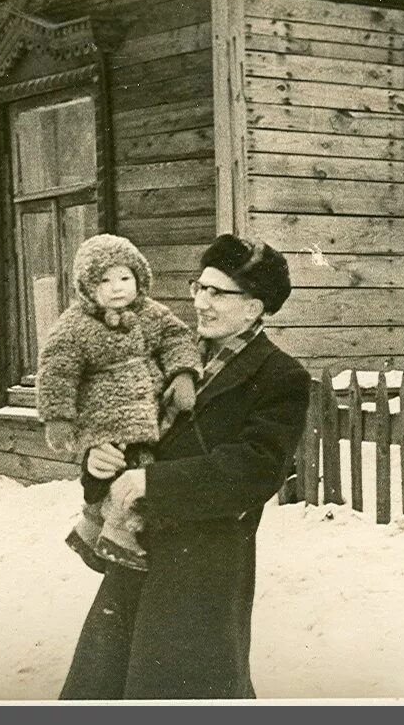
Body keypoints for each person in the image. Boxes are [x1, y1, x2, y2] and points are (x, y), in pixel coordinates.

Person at [59, 234, 312, 700]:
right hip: (135, 554)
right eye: (200, 287)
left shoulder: (279, 376)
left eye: (218, 293)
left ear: (254, 308)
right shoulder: (166, 353)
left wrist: (151, 482)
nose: (201, 302)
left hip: (204, 566)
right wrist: (98, 464)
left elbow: (255, 469)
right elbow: (119, 421)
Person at [37, 234, 201, 572]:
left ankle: (89, 530)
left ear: (139, 279)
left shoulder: (151, 313)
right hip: (103, 413)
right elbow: (57, 371)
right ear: (87, 287)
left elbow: (178, 337)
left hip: (147, 412)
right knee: (120, 471)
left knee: (140, 468)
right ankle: (120, 537)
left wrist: (183, 373)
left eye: (125, 278)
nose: (117, 288)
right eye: (105, 280)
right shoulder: (74, 326)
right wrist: (58, 418)